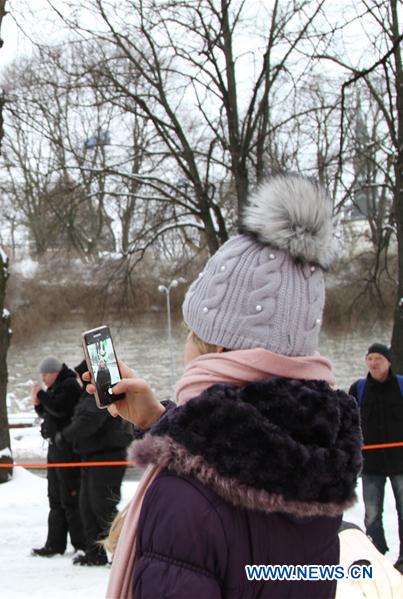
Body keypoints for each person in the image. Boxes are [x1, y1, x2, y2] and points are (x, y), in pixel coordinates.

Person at [91, 176, 361, 598]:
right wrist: (160, 422)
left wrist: (174, 441)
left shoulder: (184, 496)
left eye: (190, 333)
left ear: (215, 348)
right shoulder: (319, 457)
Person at [55, 360, 131, 566]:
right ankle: (95, 552)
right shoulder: (90, 394)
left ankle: (125, 551)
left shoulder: (101, 394)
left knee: (103, 506)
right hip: (92, 456)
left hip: (106, 457)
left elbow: (88, 421)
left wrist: (66, 436)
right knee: (87, 506)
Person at [350, 342, 403, 571]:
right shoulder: (358, 388)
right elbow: (348, 423)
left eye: (378, 358)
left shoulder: (401, 386)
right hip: (371, 465)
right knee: (372, 515)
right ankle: (378, 556)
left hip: (401, 462)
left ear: (388, 361)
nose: (373, 363)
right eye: (369, 358)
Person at [31, 357, 86, 557]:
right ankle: (55, 543)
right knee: (55, 497)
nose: (44, 379)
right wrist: (38, 402)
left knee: (69, 497)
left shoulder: (69, 385)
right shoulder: (56, 388)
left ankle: (81, 543)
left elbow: (59, 409)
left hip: (67, 450)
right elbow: (48, 412)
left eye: (45, 374)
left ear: (54, 372)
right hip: (55, 448)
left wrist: (42, 396)